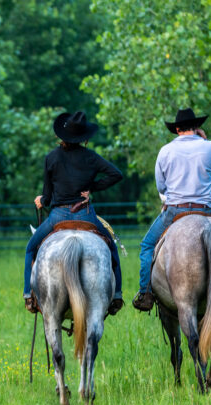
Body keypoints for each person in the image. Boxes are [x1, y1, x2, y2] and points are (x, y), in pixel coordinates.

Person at [133, 107, 211, 312]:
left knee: (147, 245)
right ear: (197, 127)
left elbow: (161, 187)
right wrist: (207, 141)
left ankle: (145, 292)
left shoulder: (165, 151)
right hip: (208, 210)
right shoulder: (210, 147)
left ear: (177, 129)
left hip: (176, 211)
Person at [24, 111, 124, 315]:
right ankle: (117, 295)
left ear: (61, 136)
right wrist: (92, 188)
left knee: (30, 248)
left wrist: (41, 201)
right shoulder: (91, 157)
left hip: (58, 216)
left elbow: (48, 197)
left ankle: (28, 295)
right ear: (84, 138)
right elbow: (116, 174)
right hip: (85, 215)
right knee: (112, 249)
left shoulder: (51, 157)